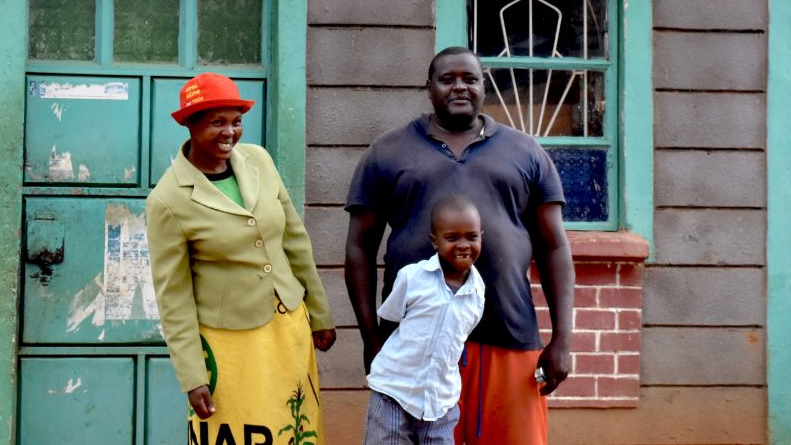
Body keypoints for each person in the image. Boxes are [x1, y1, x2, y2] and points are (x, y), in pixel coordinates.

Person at [345, 46, 574, 445]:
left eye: (469, 78)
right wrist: (370, 336)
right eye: (447, 79)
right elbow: (359, 247)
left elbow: (554, 247)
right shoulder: (387, 151)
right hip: (414, 346)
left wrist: (563, 339)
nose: (459, 86)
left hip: (507, 335)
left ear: (484, 86)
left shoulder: (525, 151)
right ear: (428, 88)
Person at [147, 72, 337, 445]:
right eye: (217, 122)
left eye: (236, 121)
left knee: (295, 426)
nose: (229, 132)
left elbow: (295, 240)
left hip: (288, 327)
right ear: (190, 124)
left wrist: (320, 313)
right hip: (229, 342)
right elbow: (174, 298)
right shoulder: (167, 200)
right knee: (240, 430)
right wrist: (192, 374)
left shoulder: (259, 161)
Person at [363, 194, 485, 445]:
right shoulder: (412, 278)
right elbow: (389, 323)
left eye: (471, 237)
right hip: (394, 395)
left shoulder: (477, 291)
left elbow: (461, 336)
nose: (463, 245)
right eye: (452, 238)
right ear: (435, 241)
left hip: (441, 404)